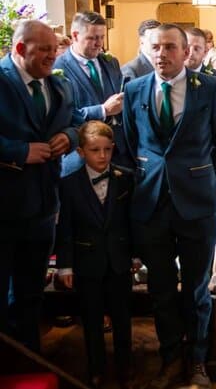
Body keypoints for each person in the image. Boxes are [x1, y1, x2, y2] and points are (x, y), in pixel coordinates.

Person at [122, 23, 216, 389]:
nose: (161, 54)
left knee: (198, 289)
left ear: (186, 53)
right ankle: (170, 357)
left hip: (196, 204)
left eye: (170, 47)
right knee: (161, 289)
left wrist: (206, 180)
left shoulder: (212, 89)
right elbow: (129, 142)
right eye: (155, 47)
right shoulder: (135, 88)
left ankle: (198, 359)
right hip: (151, 203)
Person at [0, 20, 81, 352]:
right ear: (20, 49)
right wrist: (20, 152)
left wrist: (69, 137)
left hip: (44, 207)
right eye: (45, 50)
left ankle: (29, 358)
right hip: (4, 208)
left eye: (53, 49)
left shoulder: (58, 85)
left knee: (31, 292)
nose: (53, 56)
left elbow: (75, 121)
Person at [55, 121, 134, 389]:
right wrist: (65, 266)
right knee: (91, 319)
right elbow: (65, 228)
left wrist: (134, 255)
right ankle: (96, 369)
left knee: (123, 318)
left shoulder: (125, 178)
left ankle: (125, 367)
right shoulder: (68, 185)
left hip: (119, 260)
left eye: (107, 150)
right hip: (87, 263)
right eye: (94, 150)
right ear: (80, 152)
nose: (102, 156)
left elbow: (130, 222)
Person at [54, 11, 127, 175]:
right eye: (92, 38)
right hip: (80, 153)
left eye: (101, 37)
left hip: (117, 152)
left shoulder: (111, 62)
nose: (99, 43)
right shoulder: (57, 68)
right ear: (75, 35)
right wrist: (103, 110)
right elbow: (64, 116)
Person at [184, 28, 216, 186]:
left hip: (210, 159)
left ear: (205, 52)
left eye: (197, 48)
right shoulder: (170, 77)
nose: (190, 52)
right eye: (186, 47)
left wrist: (214, 166)